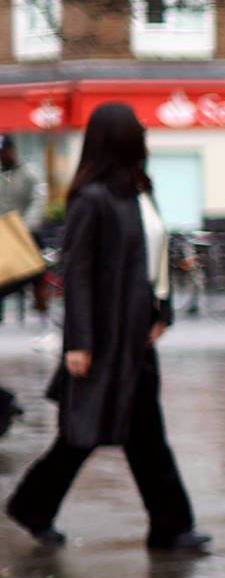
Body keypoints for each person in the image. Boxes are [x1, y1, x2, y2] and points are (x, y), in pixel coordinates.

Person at [6, 104, 207, 552]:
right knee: (83, 433)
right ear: (118, 138)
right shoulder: (92, 199)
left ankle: (169, 527)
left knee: (141, 435)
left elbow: (156, 262)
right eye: (136, 129)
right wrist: (78, 343)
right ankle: (34, 506)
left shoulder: (139, 191)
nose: (144, 133)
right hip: (105, 338)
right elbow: (78, 275)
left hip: (138, 335)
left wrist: (162, 314)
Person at [0, 136, 44, 431]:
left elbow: (39, 202)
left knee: (37, 278)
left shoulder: (29, 173)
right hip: (2, 239)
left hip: (24, 236)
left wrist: (25, 229)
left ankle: (43, 321)